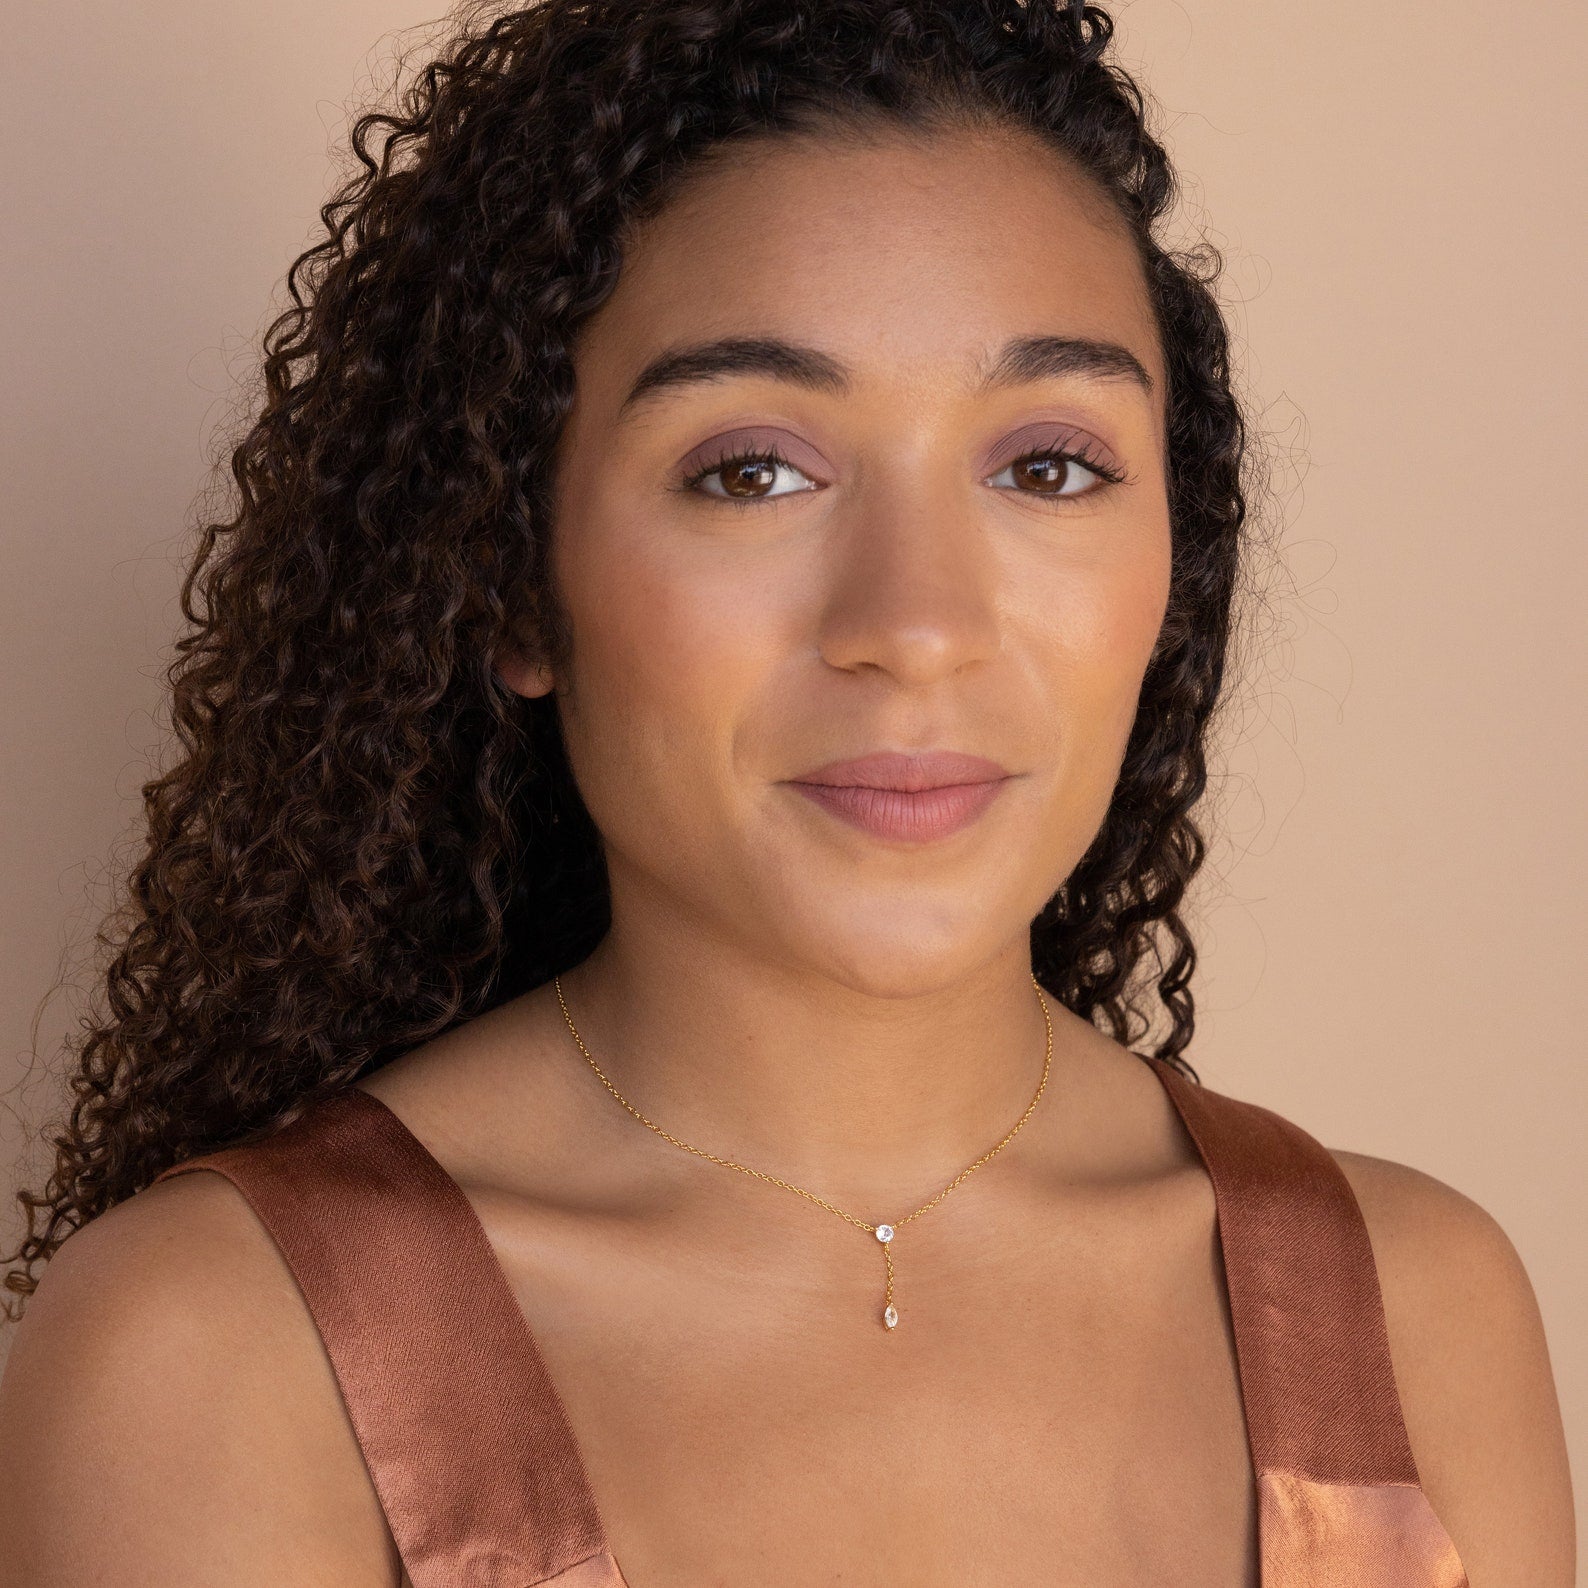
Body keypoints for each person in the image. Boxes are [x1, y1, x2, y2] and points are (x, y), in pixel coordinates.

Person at [0, 0, 1572, 1582]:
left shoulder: (1420, 1313)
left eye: (1048, 465)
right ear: (511, 581)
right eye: (751, 469)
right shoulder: (223, 1354)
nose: (918, 624)